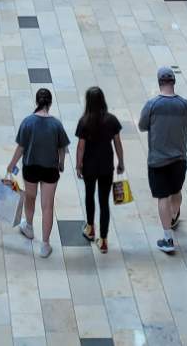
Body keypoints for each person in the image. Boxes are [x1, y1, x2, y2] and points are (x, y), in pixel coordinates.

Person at [137, 66, 187, 255]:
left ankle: (167, 237)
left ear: (159, 82)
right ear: (173, 82)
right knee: (176, 191)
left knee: (163, 197)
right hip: (179, 158)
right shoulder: (185, 104)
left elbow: (142, 126)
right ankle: (173, 216)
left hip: (158, 160)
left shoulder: (152, 105)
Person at [6, 88, 71, 258]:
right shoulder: (56, 124)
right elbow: (62, 147)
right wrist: (61, 164)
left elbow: (20, 147)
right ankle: (45, 245)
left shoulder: (28, 122)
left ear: (37, 102)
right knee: (47, 206)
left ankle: (28, 227)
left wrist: (11, 164)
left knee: (30, 197)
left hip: (31, 167)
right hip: (50, 169)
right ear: (50, 103)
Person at [75, 86, 126, 253]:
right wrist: (121, 162)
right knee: (104, 202)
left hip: (89, 167)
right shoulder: (111, 120)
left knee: (89, 195)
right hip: (106, 167)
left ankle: (90, 228)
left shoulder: (84, 122)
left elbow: (81, 147)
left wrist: (78, 165)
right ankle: (103, 240)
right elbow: (117, 143)